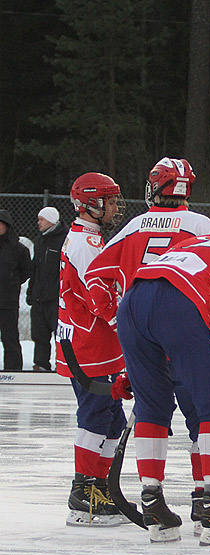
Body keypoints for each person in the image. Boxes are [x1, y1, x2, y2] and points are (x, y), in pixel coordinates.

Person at [84, 157, 210, 525]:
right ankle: (205, 496)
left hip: (140, 325)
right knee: (205, 411)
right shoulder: (201, 225)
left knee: (151, 411)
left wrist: (119, 320)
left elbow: (95, 275)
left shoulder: (134, 225)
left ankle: (152, 496)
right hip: (184, 326)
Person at [116, 233, 210, 545]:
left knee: (152, 406)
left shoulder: (192, 244)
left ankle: (153, 504)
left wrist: (129, 367)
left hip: (132, 300)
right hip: (180, 301)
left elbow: (156, 295)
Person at [56, 173, 131, 526]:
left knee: (111, 415)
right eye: (110, 201)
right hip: (88, 347)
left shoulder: (93, 238)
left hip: (99, 345)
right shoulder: (84, 243)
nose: (116, 207)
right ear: (91, 204)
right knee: (95, 413)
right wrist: (129, 328)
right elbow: (99, 296)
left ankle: (100, 484)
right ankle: (82, 491)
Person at [26, 206, 66, 372]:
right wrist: (31, 291)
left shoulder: (64, 239)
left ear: (51, 220)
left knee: (59, 335)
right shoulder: (39, 241)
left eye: (42, 219)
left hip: (55, 297)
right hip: (39, 297)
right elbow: (35, 269)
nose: (39, 223)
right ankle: (40, 364)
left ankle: (62, 365)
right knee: (39, 334)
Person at [0, 209, 31, 371]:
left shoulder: (18, 249)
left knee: (10, 338)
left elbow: (26, 271)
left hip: (8, 302)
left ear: (7, 226)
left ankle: (13, 370)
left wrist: (12, 282)